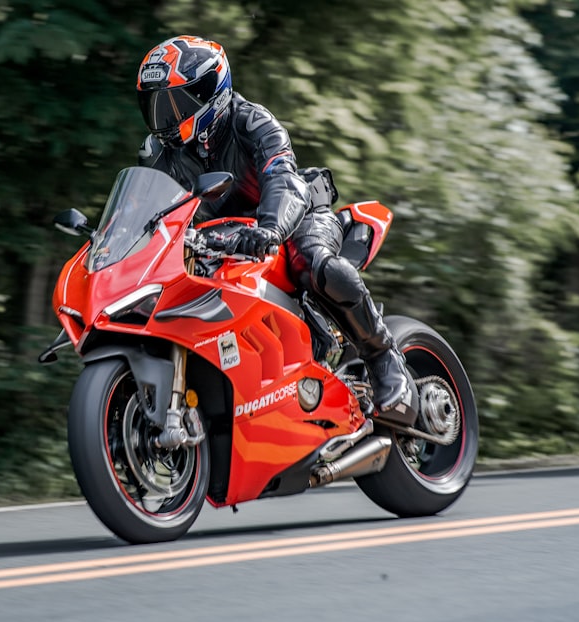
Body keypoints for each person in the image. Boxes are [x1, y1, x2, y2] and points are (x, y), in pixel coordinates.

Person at [135, 35, 416, 416]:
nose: (164, 117)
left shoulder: (251, 120)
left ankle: (383, 357)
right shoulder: (164, 156)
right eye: (155, 106)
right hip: (223, 238)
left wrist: (269, 229)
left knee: (316, 263)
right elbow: (147, 211)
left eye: (175, 102)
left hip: (292, 217)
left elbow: (282, 178)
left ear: (209, 91)